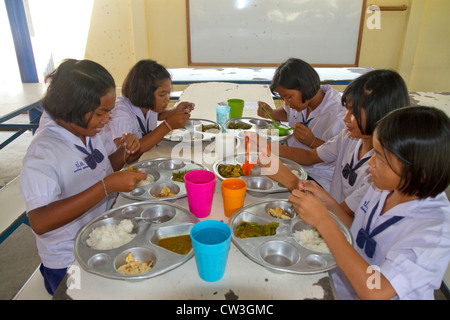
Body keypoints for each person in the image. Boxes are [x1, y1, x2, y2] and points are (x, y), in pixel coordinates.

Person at [289, 106, 450, 299]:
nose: (370, 163)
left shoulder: (434, 232)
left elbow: (374, 289)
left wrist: (324, 221)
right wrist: (328, 203)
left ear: (419, 171)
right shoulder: (385, 187)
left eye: (381, 158)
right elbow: (358, 233)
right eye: (375, 152)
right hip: (341, 286)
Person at [19, 59, 146, 295]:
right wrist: (106, 187)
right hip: (68, 260)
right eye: (101, 113)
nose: (106, 121)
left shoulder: (88, 129)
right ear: (72, 108)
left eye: (109, 113)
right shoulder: (43, 153)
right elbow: (40, 221)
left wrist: (126, 152)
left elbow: (103, 165)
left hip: (102, 236)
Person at [257, 69, 410, 217]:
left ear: (378, 114)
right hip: (331, 208)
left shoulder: (378, 170)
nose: (345, 119)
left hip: (336, 219)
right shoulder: (348, 137)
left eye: (353, 112)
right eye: (347, 111)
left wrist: (291, 181)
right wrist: (266, 146)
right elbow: (310, 156)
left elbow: (342, 216)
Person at [257, 58, 345, 191]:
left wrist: (312, 141)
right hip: (292, 161)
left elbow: (340, 155)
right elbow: (287, 113)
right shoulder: (303, 100)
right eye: (283, 98)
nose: (286, 103)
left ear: (305, 87)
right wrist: (272, 113)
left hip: (317, 176)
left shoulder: (339, 115)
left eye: (289, 97)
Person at [105, 59, 194, 155]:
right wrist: (168, 126)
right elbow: (124, 154)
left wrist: (176, 110)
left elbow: (159, 114)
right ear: (144, 93)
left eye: (168, 93)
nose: (167, 99)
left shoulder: (148, 105)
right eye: (162, 95)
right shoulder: (120, 114)